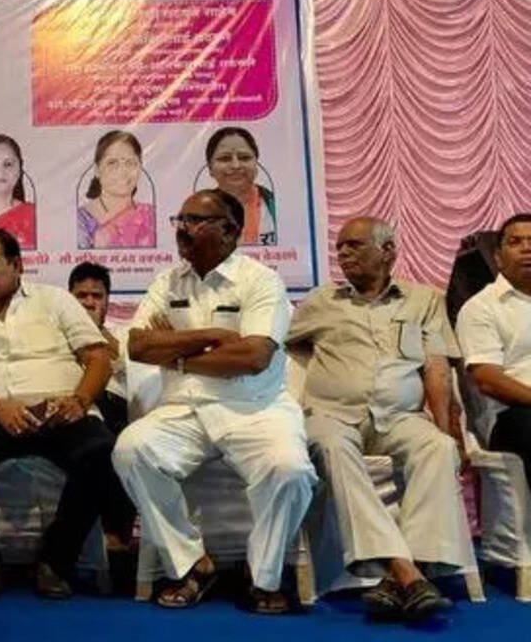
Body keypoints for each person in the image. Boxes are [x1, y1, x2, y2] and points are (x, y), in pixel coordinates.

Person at [112, 189, 316, 614]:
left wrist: (175, 352)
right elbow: (138, 347)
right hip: (184, 409)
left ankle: (263, 575)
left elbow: (254, 357)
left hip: (255, 407)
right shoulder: (167, 282)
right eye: (180, 219)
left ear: (231, 230)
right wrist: (211, 337)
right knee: (131, 451)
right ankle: (191, 565)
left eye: (196, 221)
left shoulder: (261, 280)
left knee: (291, 470)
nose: (183, 229)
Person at [0, 228, 131, 599]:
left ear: (17, 265)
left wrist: (79, 400)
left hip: (60, 410)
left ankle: (57, 561)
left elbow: (97, 357)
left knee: (100, 449)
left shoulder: (55, 300)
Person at [287, 217, 461, 621]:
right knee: (331, 447)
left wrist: (447, 427)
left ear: (388, 251)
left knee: (438, 447)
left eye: (354, 245)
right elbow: (278, 351)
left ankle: (398, 580)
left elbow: (436, 367)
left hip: (401, 416)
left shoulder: (424, 300)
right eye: (340, 247)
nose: (343, 253)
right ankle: (407, 572)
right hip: (333, 415)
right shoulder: (320, 302)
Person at [457, 214, 531, 490]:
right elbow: (488, 380)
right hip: (514, 414)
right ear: (498, 258)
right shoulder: (481, 308)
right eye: (515, 242)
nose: (526, 248)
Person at [68, 262, 129, 435]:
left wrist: (95, 330)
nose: (89, 303)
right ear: (68, 299)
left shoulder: (122, 335)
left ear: (107, 300)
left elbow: (127, 367)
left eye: (97, 296)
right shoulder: (56, 333)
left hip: (112, 404)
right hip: (71, 400)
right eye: (81, 296)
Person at [78, 131, 156, 249]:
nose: (122, 171)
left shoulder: (151, 215)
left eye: (130, 163)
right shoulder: (80, 220)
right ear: (97, 170)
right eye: (112, 163)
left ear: (140, 167)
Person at [205, 127, 276, 246]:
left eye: (244, 158)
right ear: (210, 169)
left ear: (256, 164)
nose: (236, 165)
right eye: (224, 158)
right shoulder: (198, 211)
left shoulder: (277, 205)